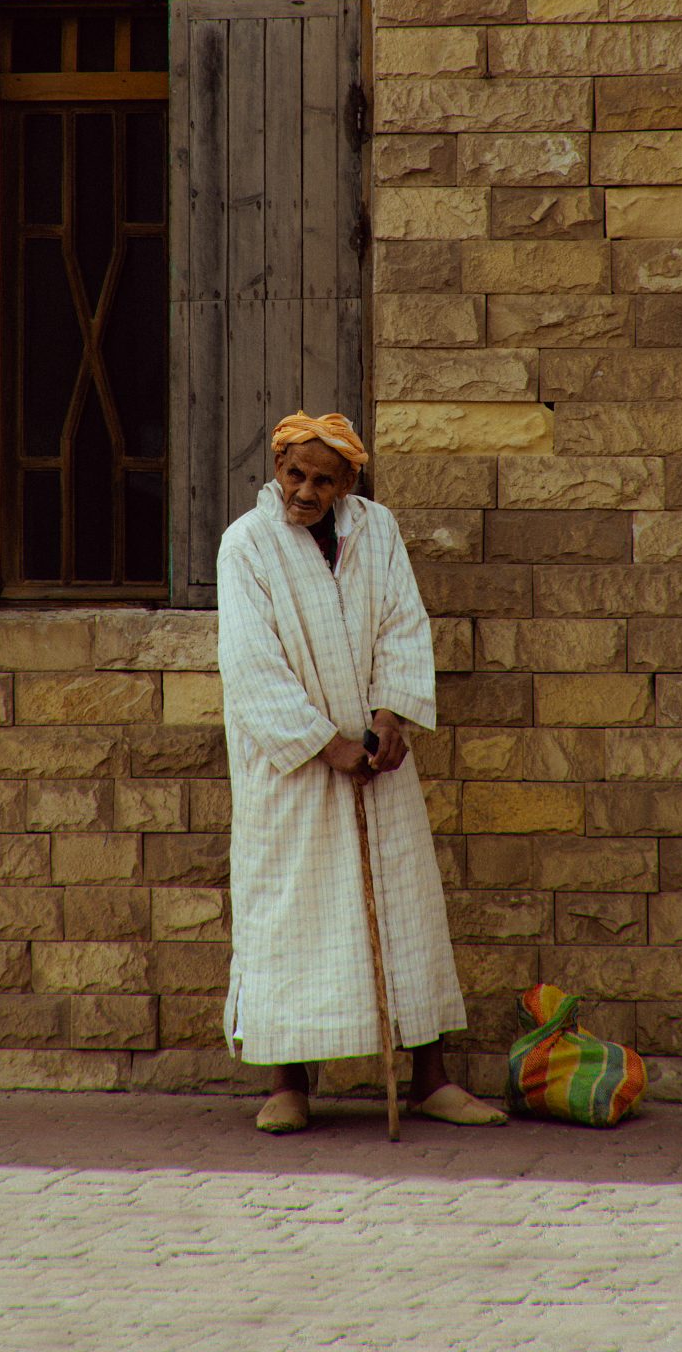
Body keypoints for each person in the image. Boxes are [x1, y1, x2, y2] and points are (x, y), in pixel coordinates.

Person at [217, 409, 506, 1134]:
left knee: (405, 906)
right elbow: (251, 664)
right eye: (293, 473)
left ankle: (429, 1077)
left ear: (347, 482)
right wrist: (324, 743)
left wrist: (389, 716)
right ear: (277, 466)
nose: (304, 491)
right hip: (291, 770)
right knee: (289, 912)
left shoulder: (376, 530)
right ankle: (288, 1083)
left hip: (378, 761)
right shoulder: (246, 545)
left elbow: (403, 624)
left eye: (321, 479)